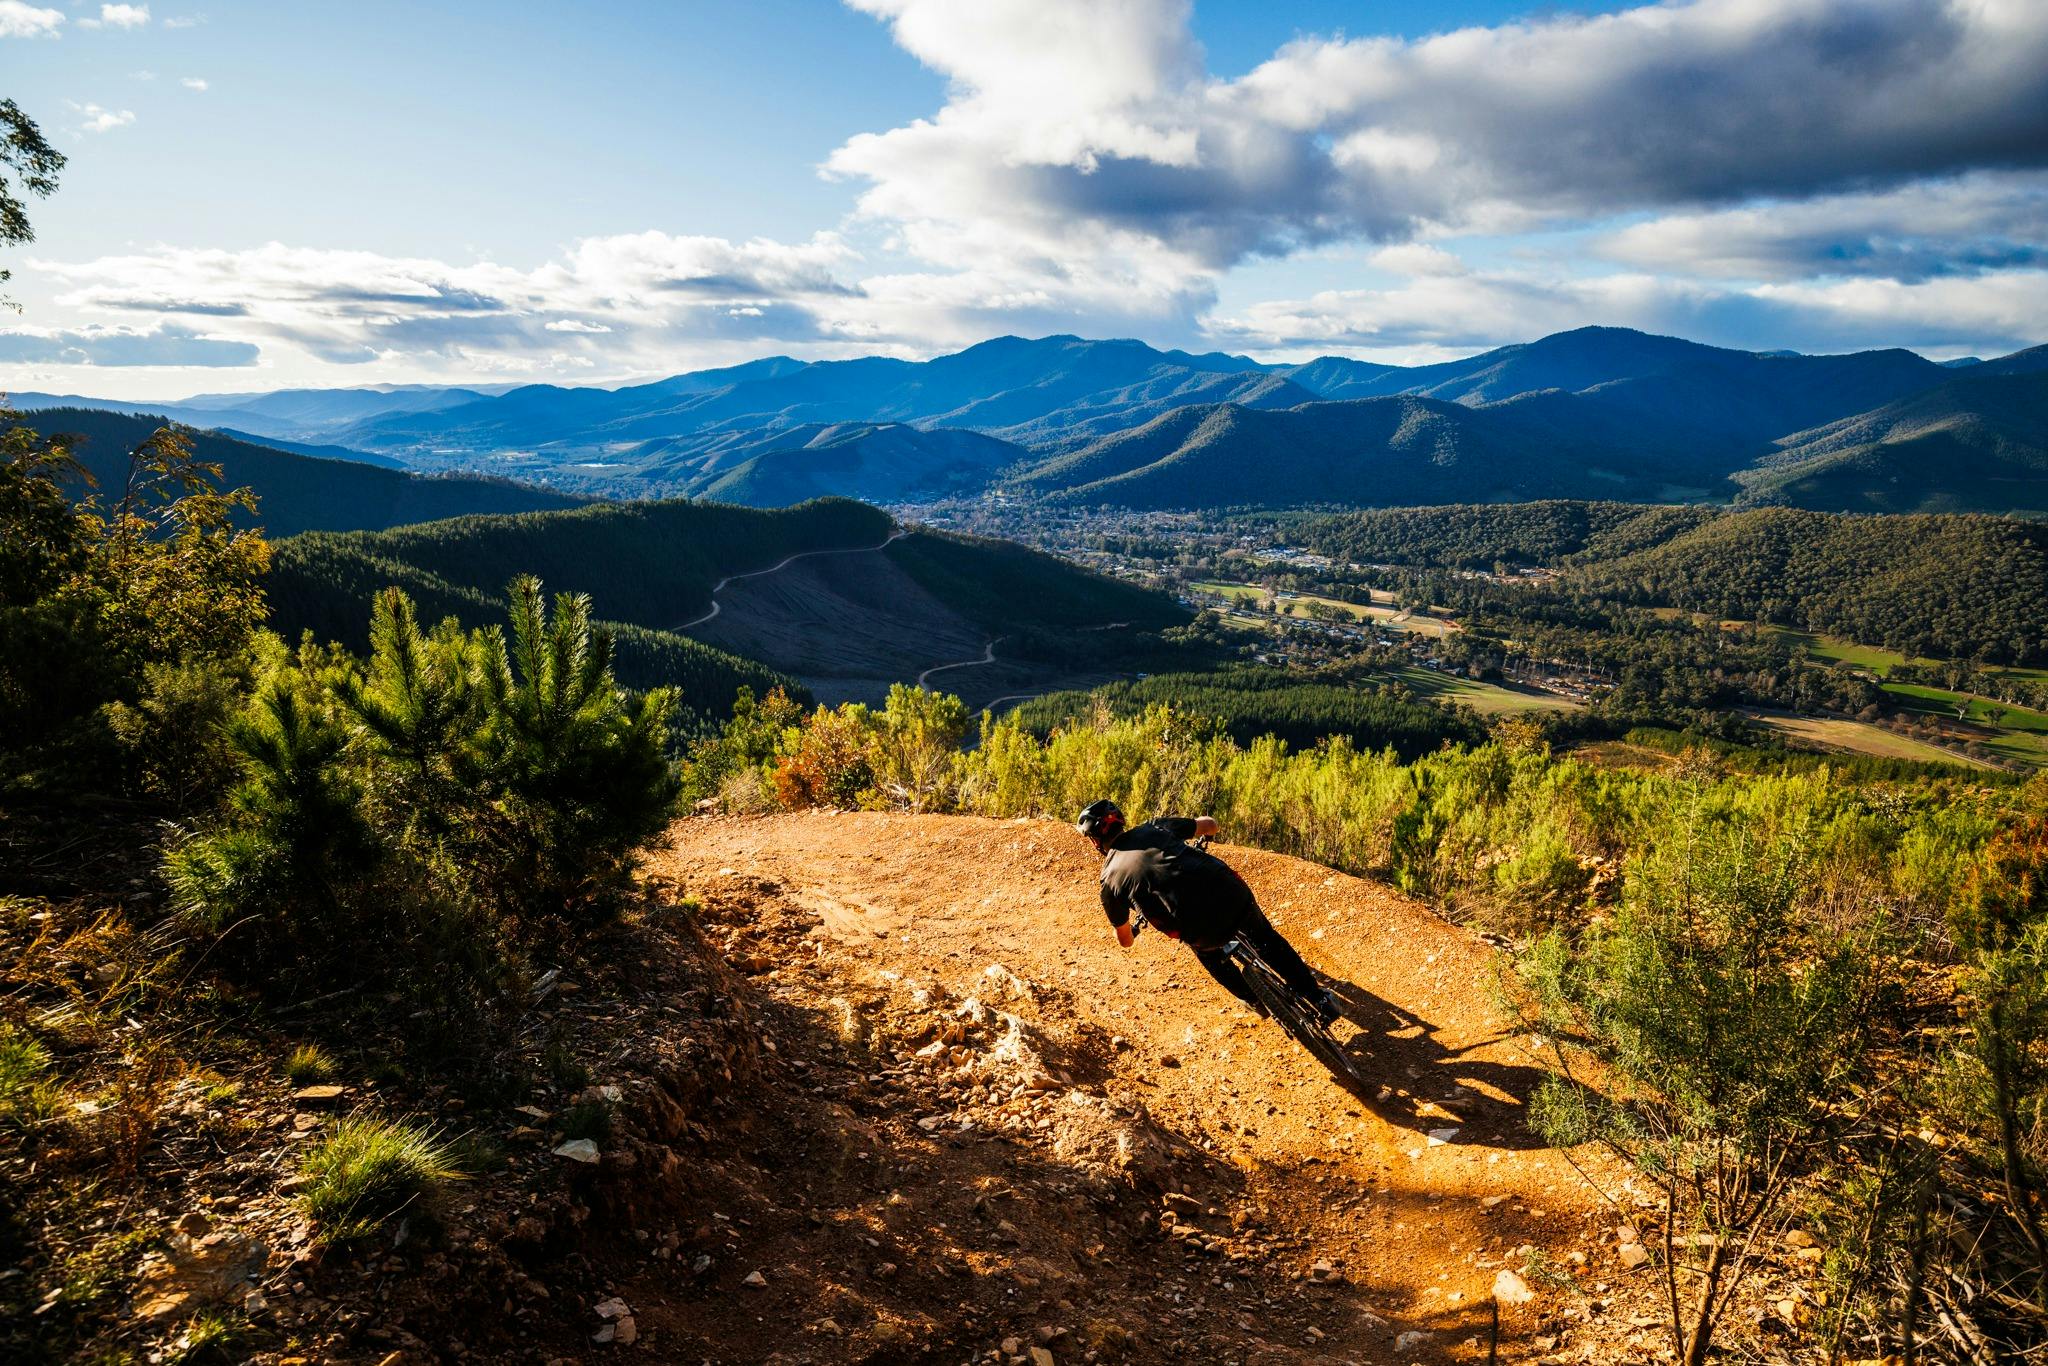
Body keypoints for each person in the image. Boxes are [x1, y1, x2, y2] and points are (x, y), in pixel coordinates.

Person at [1076, 799, 1340, 1025]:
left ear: (1095, 841)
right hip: (1232, 896)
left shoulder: (1109, 881)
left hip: (1199, 930)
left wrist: (1133, 927)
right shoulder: (1154, 827)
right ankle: (1319, 999)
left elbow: (1125, 941)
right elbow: (1210, 824)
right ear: (1121, 821)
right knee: (1266, 939)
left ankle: (1255, 1000)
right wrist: (1206, 835)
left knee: (1210, 956)